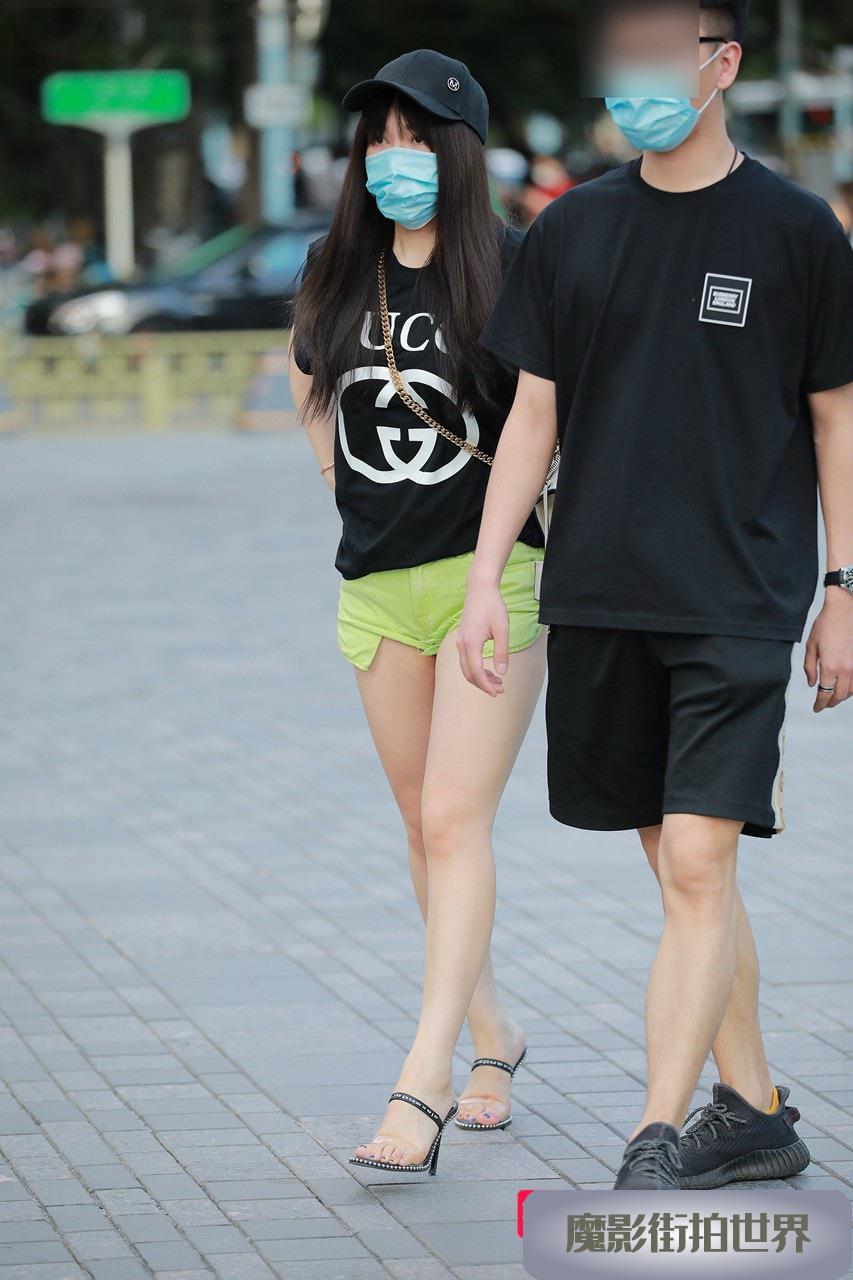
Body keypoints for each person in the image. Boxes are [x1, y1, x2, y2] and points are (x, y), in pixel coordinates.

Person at [458, 0, 853, 1190]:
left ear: (720, 63)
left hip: (739, 594)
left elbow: (836, 418)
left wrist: (843, 584)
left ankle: (651, 1135)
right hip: (600, 592)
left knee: (693, 861)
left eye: (654, 56)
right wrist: (486, 577)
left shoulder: (797, 230)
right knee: (689, 867)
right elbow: (533, 415)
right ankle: (759, 1111)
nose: (630, 77)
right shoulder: (571, 227)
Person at [288, 50, 548, 1174]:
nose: (393, 159)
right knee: (417, 821)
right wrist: (339, 485)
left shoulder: (515, 265)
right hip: (377, 582)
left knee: (453, 818)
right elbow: (310, 379)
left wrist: (499, 551)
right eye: (378, 141)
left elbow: (547, 418)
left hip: (492, 578)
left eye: (414, 139)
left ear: (459, 150)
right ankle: (493, 1033)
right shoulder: (336, 265)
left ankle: (424, 1073)